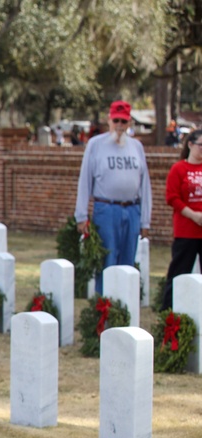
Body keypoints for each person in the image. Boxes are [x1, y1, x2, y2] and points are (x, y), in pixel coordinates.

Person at [73, 100, 152, 294]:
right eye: (115, 120)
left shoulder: (136, 147)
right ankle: (104, 306)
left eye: (123, 122)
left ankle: (125, 305)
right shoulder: (96, 145)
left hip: (132, 209)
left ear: (129, 123)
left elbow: (145, 184)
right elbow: (85, 180)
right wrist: (81, 214)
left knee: (128, 262)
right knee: (107, 261)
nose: (119, 125)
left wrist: (145, 220)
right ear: (109, 120)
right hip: (106, 209)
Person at [159, 128, 202, 310]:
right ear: (190, 145)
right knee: (179, 273)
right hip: (186, 230)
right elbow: (172, 197)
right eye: (201, 145)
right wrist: (193, 215)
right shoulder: (179, 169)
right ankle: (168, 312)